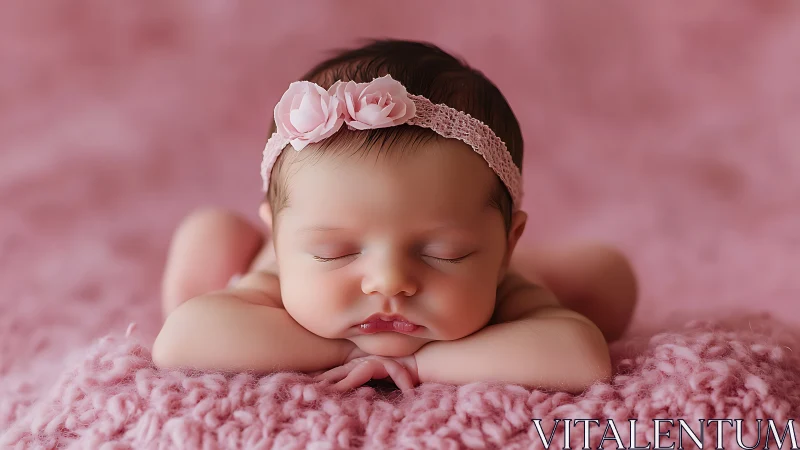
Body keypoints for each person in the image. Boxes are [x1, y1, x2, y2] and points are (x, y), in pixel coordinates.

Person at [152, 39, 638, 394]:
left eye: (443, 253)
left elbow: (581, 357)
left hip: (519, 270)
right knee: (210, 233)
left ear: (506, 244)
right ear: (280, 243)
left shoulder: (507, 281)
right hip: (253, 260)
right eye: (333, 252)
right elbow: (180, 340)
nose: (388, 281)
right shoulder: (275, 280)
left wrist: (422, 362)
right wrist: (352, 351)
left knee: (605, 277)